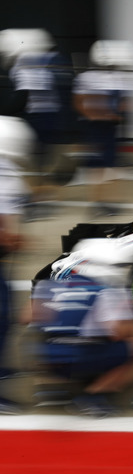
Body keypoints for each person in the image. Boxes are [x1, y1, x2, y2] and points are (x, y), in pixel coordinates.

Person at [29, 250, 133, 418]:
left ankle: (53, 388)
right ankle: (93, 397)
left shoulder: (50, 284)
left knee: (44, 340)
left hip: (48, 357)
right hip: (81, 356)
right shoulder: (106, 290)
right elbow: (118, 332)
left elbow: (28, 318)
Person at [0, 29, 74, 221]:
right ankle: (39, 200)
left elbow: (22, 97)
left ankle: (37, 202)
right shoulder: (38, 62)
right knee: (37, 163)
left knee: (33, 163)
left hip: (39, 118)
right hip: (46, 117)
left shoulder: (26, 63)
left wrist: (6, 112)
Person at [72, 40, 133, 217]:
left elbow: (126, 102)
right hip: (96, 127)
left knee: (112, 165)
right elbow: (80, 102)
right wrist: (98, 115)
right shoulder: (88, 77)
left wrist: (119, 113)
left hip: (112, 127)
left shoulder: (118, 77)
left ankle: (110, 202)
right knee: (97, 166)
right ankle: (97, 203)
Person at [0, 117, 33, 413]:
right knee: (2, 317)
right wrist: (18, 241)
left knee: (6, 314)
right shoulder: (6, 173)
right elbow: (7, 235)